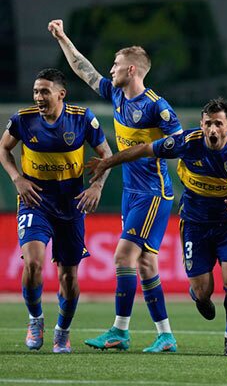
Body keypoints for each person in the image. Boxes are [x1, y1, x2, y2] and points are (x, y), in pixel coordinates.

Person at [48, 19, 183, 352]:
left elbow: (179, 144)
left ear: (132, 69)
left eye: (116, 65)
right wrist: (64, 37)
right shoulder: (116, 93)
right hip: (131, 191)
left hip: (153, 192)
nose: (110, 71)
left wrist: (122, 157)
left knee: (123, 256)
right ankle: (165, 335)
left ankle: (119, 331)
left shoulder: (157, 106)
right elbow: (85, 71)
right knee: (146, 263)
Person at [87, 97, 227, 356]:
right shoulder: (186, 143)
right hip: (195, 223)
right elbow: (145, 149)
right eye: (208, 123)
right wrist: (107, 162)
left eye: (218, 124)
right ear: (201, 124)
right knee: (202, 292)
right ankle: (198, 298)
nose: (213, 130)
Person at [0, 68, 112, 353]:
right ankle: (35, 319)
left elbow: (106, 155)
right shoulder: (23, 120)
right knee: (34, 263)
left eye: (44, 92)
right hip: (35, 200)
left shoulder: (82, 118)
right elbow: (4, 149)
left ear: (61, 94)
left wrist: (97, 187)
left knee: (69, 277)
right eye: (36, 91)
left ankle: (62, 330)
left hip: (71, 204)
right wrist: (17, 178)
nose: (38, 97)